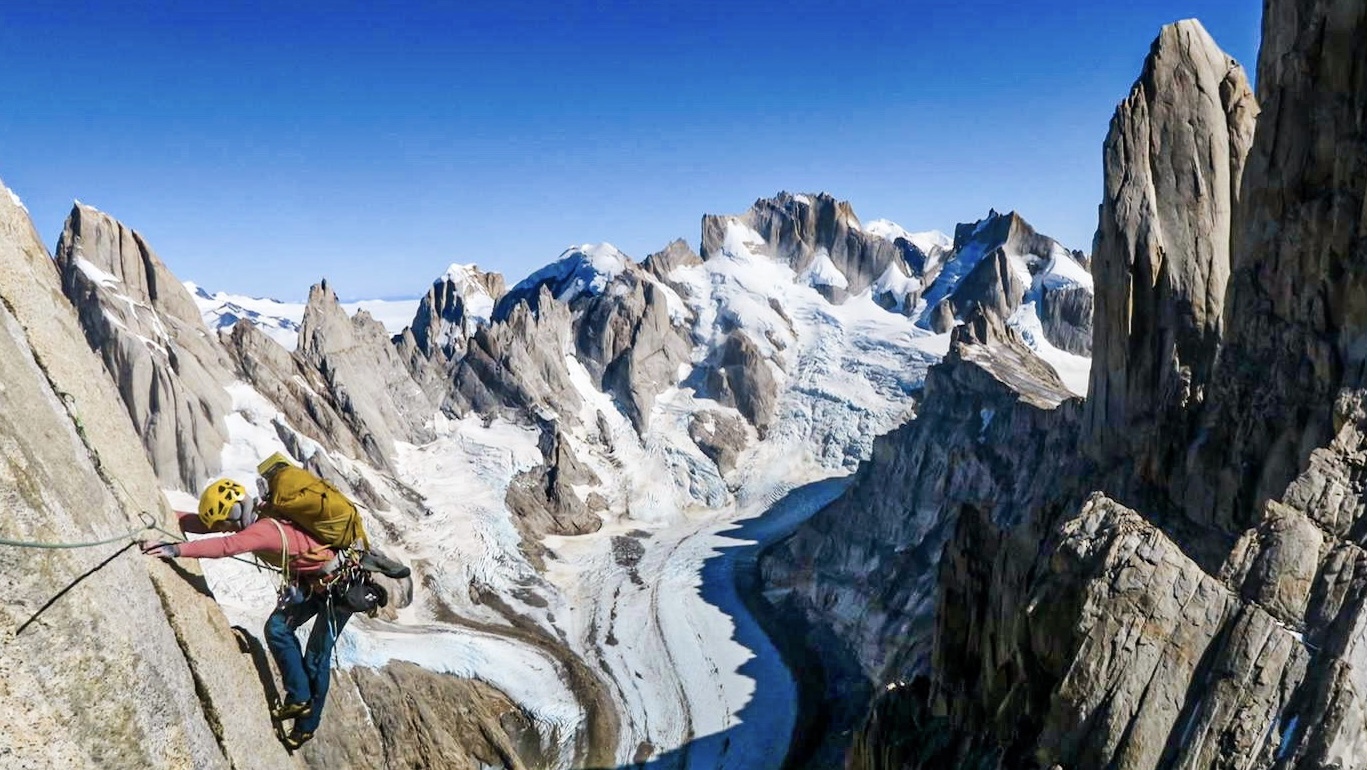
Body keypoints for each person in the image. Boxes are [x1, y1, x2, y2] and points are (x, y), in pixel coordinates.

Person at [141, 453, 352, 751]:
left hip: (339, 590)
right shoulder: (260, 513)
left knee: (316, 656)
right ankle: (300, 699)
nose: (224, 527)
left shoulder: (263, 530)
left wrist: (176, 550)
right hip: (316, 586)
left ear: (231, 516)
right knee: (277, 629)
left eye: (224, 523)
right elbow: (213, 528)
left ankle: (305, 723)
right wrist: (171, 514)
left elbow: (227, 545)